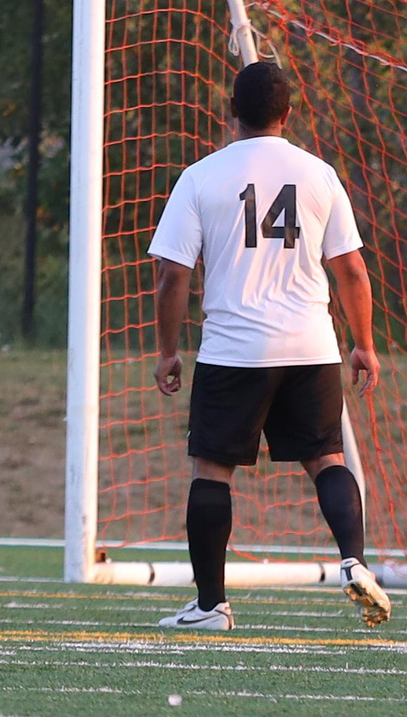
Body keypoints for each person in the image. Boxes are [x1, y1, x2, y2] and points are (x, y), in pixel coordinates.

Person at [149, 59, 389, 631]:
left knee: (211, 468)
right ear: (287, 113)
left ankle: (211, 607)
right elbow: (352, 272)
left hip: (235, 350)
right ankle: (354, 561)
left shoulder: (201, 175)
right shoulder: (319, 174)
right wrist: (364, 345)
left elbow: (172, 277)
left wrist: (167, 351)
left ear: (231, 111)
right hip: (311, 346)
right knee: (327, 457)